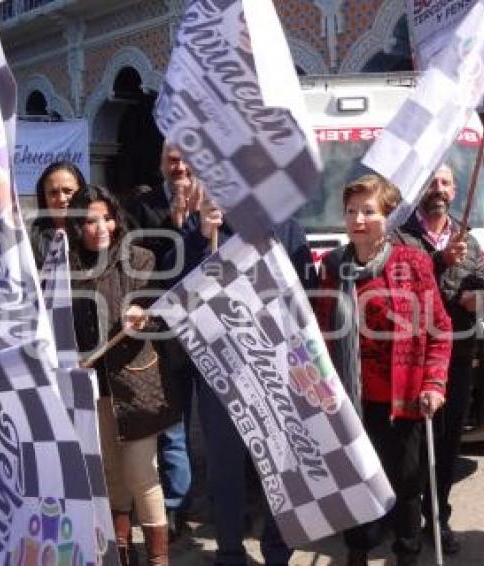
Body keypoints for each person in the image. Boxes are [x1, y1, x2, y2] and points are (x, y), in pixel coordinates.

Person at [165, 194, 317, 566]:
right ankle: (230, 553)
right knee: (225, 471)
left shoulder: (287, 227)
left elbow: (307, 298)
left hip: (275, 370)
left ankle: (277, 552)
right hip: (221, 373)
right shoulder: (202, 228)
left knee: (281, 470)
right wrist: (201, 235)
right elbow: (169, 284)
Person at [314, 174, 451, 566]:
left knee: (406, 483)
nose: (358, 219)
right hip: (349, 400)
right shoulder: (334, 265)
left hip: (402, 397)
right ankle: (358, 549)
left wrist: (435, 382)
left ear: (388, 216)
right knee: (354, 478)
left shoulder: (414, 263)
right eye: (351, 211)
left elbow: (439, 328)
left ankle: (407, 552)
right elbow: (323, 329)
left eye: (369, 211)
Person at [67, 184, 180, 565]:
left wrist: (144, 317)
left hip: (136, 383)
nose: (99, 227)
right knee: (111, 477)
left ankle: (159, 559)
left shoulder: (142, 259)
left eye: (105, 218)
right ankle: (120, 553)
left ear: (116, 220)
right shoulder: (68, 270)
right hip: (93, 386)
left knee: (141, 475)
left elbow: (163, 311)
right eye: (88, 221)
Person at [396, 163, 484, 554]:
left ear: (455, 190)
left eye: (446, 183)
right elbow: (398, 290)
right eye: (432, 181)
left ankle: (439, 519)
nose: (439, 189)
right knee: (409, 448)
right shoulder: (401, 237)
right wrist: (439, 262)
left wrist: (480, 300)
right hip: (409, 360)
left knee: (448, 444)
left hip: (457, 357)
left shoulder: (471, 240)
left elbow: (481, 288)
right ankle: (404, 523)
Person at [123, 143, 202, 541]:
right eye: (172, 159)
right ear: (161, 164)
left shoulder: (215, 203)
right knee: (172, 424)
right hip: (163, 333)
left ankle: (229, 501)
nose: (180, 166)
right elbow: (143, 261)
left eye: (187, 159)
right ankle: (174, 508)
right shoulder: (144, 205)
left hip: (209, 330)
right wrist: (174, 224)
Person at [30, 161, 86, 266]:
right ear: (44, 198)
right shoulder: (30, 240)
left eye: (68, 191)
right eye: (53, 193)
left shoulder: (94, 232)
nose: (61, 199)